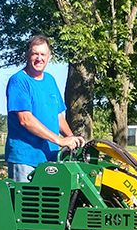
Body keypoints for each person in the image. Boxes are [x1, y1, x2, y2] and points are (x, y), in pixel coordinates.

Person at [5, 35, 84, 182]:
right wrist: (60, 141)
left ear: (49, 57)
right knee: (26, 203)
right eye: (35, 54)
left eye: (43, 54)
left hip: (50, 157)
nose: (39, 58)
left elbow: (58, 116)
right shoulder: (19, 81)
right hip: (26, 158)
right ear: (27, 55)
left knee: (48, 203)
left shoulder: (50, 80)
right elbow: (25, 120)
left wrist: (70, 137)